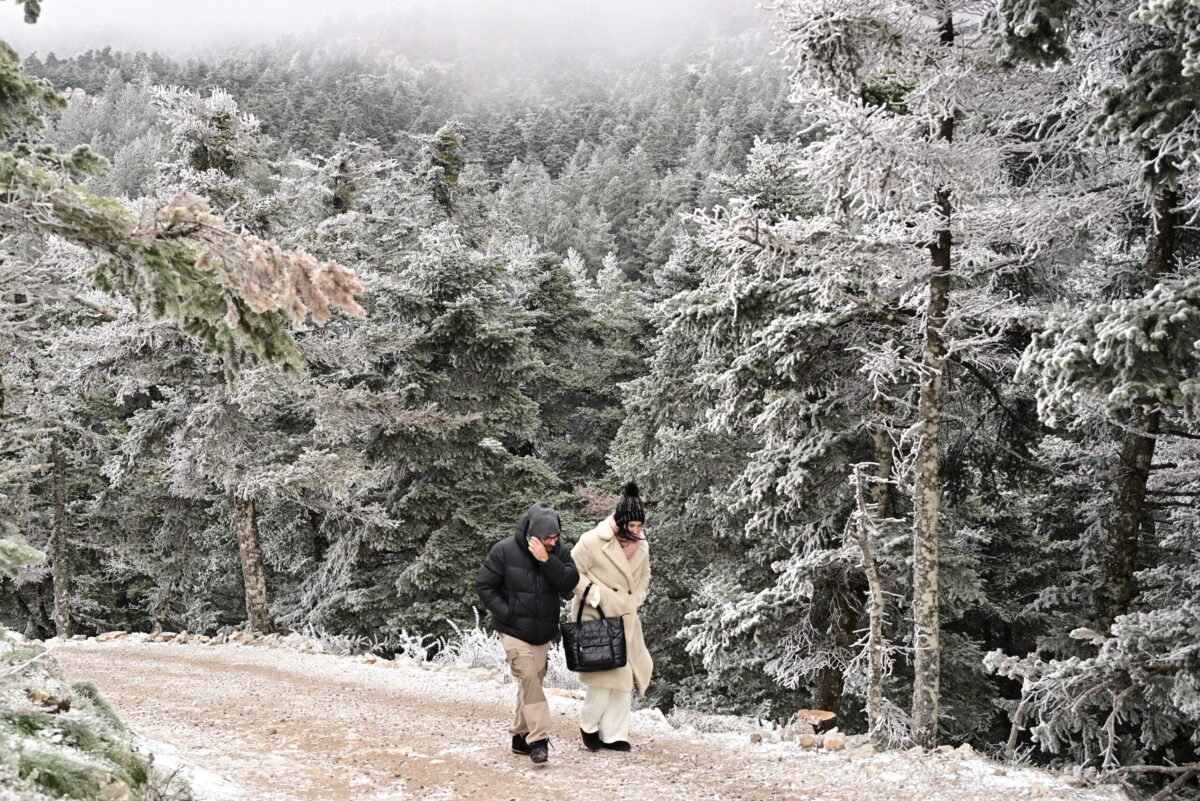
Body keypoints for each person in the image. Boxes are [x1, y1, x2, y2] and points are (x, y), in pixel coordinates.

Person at [476, 501, 579, 764]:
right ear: (533, 535)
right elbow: (485, 585)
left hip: (542, 632)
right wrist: (508, 612)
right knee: (529, 678)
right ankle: (539, 739)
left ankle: (519, 736)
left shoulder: (558, 552)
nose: (553, 541)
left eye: (556, 536)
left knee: (531, 683)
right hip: (512, 630)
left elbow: (569, 582)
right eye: (548, 538)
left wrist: (547, 560)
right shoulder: (504, 551)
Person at [570, 482, 652, 752]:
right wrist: (593, 594)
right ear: (620, 521)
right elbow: (571, 571)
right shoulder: (592, 541)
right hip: (597, 615)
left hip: (626, 617)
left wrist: (636, 598)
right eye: (633, 525)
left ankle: (615, 733)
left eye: (640, 525)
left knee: (623, 676)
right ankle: (589, 723)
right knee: (603, 675)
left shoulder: (641, 546)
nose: (637, 531)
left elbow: (644, 577)